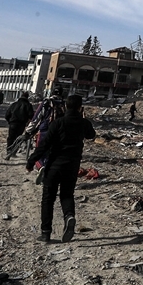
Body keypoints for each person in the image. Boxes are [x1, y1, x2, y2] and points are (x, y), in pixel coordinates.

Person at [26, 94, 95, 243]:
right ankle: (69, 216)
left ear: (65, 107)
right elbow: (91, 135)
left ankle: (46, 233)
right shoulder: (84, 123)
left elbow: (44, 145)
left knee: (48, 198)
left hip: (54, 165)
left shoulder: (57, 123)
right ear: (80, 107)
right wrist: (83, 118)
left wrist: (31, 161)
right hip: (72, 166)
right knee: (67, 194)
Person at [25, 87, 65, 181]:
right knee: (52, 153)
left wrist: (28, 130)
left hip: (45, 130)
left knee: (40, 151)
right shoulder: (64, 104)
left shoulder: (46, 103)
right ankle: (48, 172)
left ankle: (41, 167)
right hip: (59, 133)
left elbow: (36, 117)